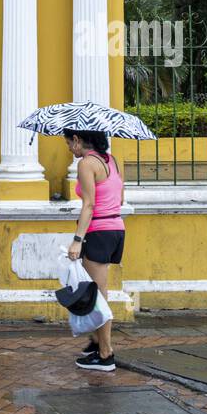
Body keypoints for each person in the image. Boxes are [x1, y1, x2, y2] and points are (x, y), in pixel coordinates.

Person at [64, 128, 125, 373]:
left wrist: (77, 240)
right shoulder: (112, 160)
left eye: (69, 143)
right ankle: (97, 341)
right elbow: (119, 198)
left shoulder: (87, 164)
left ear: (78, 140)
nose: (69, 148)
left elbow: (88, 205)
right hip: (116, 229)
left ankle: (105, 354)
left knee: (98, 296)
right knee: (98, 291)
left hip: (98, 231)